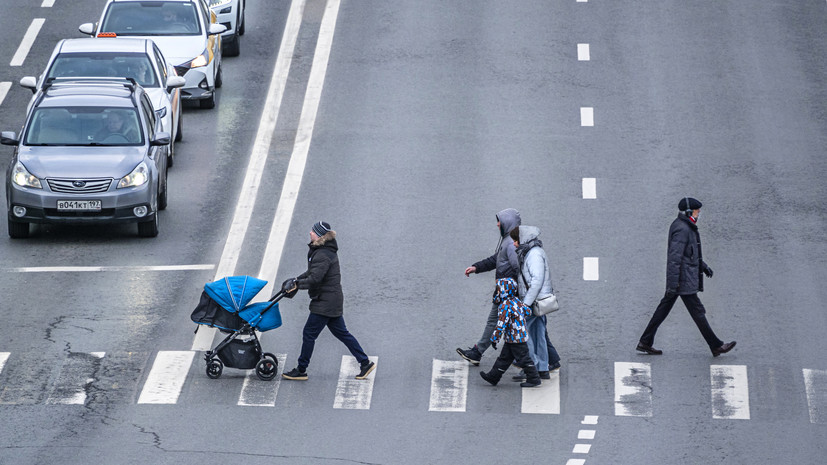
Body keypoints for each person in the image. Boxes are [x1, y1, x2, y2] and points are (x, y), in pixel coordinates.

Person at [636, 197, 736, 357]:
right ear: (689, 212)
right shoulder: (682, 229)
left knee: (663, 310)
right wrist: (673, 284)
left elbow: (688, 254)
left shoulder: (686, 227)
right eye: (697, 211)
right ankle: (716, 345)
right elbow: (675, 259)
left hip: (682, 280)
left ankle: (645, 342)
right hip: (682, 281)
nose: (699, 213)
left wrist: (703, 266)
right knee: (698, 312)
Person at [281, 221, 376, 381]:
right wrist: (297, 279)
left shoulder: (323, 254)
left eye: (313, 231)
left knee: (309, 334)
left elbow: (316, 278)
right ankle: (365, 362)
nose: (310, 232)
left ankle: (301, 369)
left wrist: (297, 286)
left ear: (319, 235)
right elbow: (312, 272)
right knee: (342, 333)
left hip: (325, 302)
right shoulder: (322, 251)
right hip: (330, 300)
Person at [456, 208, 522, 365]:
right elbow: (496, 260)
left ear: (508, 223)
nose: (497, 224)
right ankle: (477, 352)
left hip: (508, 291)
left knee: (500, 322)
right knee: (501, 322)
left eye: (500, 221)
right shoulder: (508, 241)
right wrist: (476, 267)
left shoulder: (510, 244)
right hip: (505, 290)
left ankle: (479, 353)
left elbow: (518, 267)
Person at [509, 226, 561, 382]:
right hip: (537, 301)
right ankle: (542, 369)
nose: (514, 244)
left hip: (533, 301)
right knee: (539, 335)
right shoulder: (533, 252)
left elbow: (536, 281)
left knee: (525, 335)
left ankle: (532, 367)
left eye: (516, 240)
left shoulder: (533, 255)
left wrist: (525, 304)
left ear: (523, 239)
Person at [479, 278, 541, 388]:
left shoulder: (504, 306)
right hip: (518, 336)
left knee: (523, 358)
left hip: (515, 338)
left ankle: (534, 378)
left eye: (498, 290)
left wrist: (494, 339)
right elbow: (528, 311)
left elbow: (501, 324)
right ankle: (494, 376)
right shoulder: (517, 301)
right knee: (504, 358)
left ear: (503, 291)